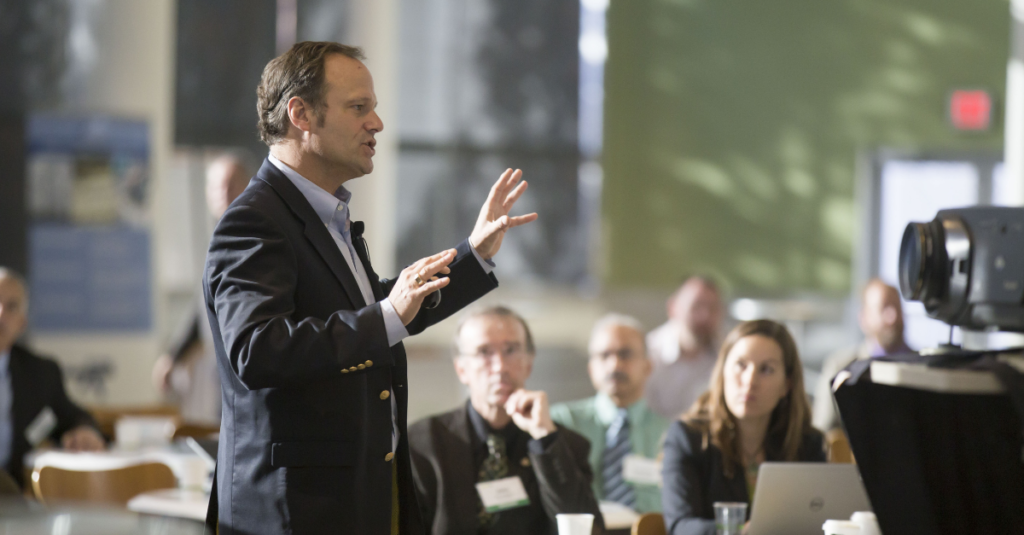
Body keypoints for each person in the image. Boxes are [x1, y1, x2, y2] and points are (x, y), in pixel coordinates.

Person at [204, 42, 537, 535]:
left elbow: (378, 310)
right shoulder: (254, 222)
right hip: (292, 514)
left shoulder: (325, 214)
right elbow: (257, 350)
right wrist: (386, 316)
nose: (377, 123)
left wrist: (475, 254)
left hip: (355, 502)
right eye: (359, 108)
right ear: (301, 114)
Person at [408, 306, 603, 534]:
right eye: (484, 352)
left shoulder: (565, 446)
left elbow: (588, 528)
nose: (500, 366)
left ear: (528, 363)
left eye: (511, 350)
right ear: (461, 369)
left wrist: (545, 440)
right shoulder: (424, 443)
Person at [661, 320, 824, 535]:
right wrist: (740, 532)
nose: (749, 380)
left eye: (766, 369)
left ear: (786, 385)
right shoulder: (687, 438)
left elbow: (822, 522)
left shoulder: (807, 443)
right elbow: (680, 527)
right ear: (722, 371)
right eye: (741, 365)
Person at [152, 153, 251, 425]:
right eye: (216, 186)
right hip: (218, 372)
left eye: (230, 184)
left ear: (247, 185)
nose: (222, 193)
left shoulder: (254, 233)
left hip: (247, 364)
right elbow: (203, 307)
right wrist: (173, 355)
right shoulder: (220, 235)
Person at [551, 313, 668, 513]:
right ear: (590, 368)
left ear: (648, 366)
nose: (614, 365)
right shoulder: (562, 422)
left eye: (625, 354)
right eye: (604, 355)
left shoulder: (670, 433)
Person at [0, 268, 104, 487]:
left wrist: (84, 431)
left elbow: (73, 417)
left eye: (11, 306)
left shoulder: (40, 373)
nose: (1, 313)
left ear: (22, 322)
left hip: (15, 500)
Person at [812, 278, 912, 431]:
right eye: (884, 308)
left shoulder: (923, 368)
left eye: (896, 307)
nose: (892, 317)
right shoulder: (841, 366)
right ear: (864, 318)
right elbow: (822, 431)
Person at [645, 276, 724, 420]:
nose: (704, 316)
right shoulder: (648, 352)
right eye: (696, 306)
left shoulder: (728, 355)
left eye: (712, 308)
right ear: (673, 308)